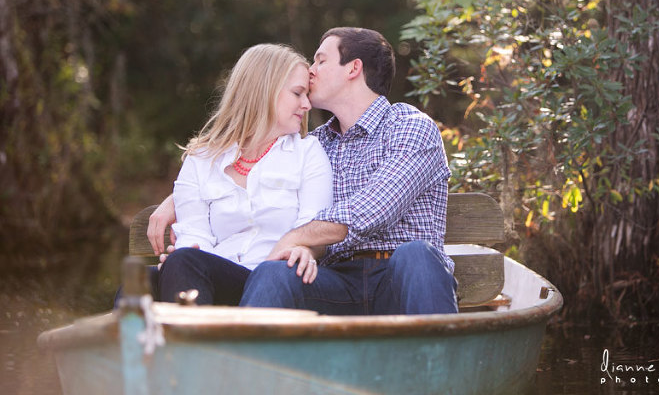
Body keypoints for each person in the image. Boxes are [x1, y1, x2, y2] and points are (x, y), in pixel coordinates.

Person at [149, 27, 457, 315]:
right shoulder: (316, 144)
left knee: (417, 254)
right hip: (336, 281)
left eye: (320, 60)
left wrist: (293, 239)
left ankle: (440, 356)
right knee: (275, 274)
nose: (311, 70)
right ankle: (241, 356)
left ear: (353, 68)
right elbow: (253, 165)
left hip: (400, 279)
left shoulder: (409, 127)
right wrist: (178, 199)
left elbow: (373, 209)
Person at [154, 43, 333, 306]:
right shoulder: (202, 158)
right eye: (298, 93)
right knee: (144, 281)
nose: (306, 104)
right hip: (219, 277)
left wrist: (305, 247)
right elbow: (193, 232)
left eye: (307, 94)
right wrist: (185, 257)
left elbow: (311, 225)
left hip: (273, 279)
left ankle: (194, 332)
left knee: (181, 265)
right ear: (263, 91)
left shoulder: (308, 153)